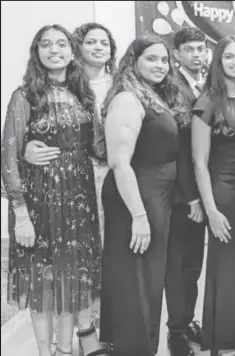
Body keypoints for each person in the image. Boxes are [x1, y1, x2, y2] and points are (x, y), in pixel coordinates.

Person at [1, 24, 104, 356]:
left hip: (79, 201)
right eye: (46, 45)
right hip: (39, 202)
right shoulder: (25, 96)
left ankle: (64, 349)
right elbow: (9, 156)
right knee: (43, 283)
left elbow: (99, 148)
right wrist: (20, 214)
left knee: (72, 281)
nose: (54, 50)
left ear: (72, 52)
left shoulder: (83, 94)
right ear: (37, 52)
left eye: (62, 44)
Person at [99, 35, 190, 356]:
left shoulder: (152, 96)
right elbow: (119, 162)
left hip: (156, 197)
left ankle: (135, 347)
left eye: (164, 60)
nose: (160, 66)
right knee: (137, 283)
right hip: (135, 199)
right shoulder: (127, 99)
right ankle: (134, 349)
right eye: (151, 59)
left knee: (147, 283)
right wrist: (138, 216)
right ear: (133, 61)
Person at [191, 35, 235, 356]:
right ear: (218, 62)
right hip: (223, 195)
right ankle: (226, 344)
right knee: (227, 271)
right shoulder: (207, 102)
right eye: (230, 57)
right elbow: (198, 162)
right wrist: (211, 210)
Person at [23, 22, 117, 246]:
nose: (98, 47)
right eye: (91, 42)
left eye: (104, 43)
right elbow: (38, 126)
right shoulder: (66, 83)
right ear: (77, 48)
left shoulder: (122, 83)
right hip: (76, 172)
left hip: (118, 168)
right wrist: (24, 148)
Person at [166, 27, 207, 355]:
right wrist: (192, 196)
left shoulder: (204, 85)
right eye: (190, 50)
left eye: (200, 49)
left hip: (201, 190)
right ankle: (176, 332)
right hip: (181, 196)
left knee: (194, 265)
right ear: (176, 54)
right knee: (179, 267)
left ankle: (188, 319)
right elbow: (177, 149)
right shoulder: (171, 88)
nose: (197, 54)